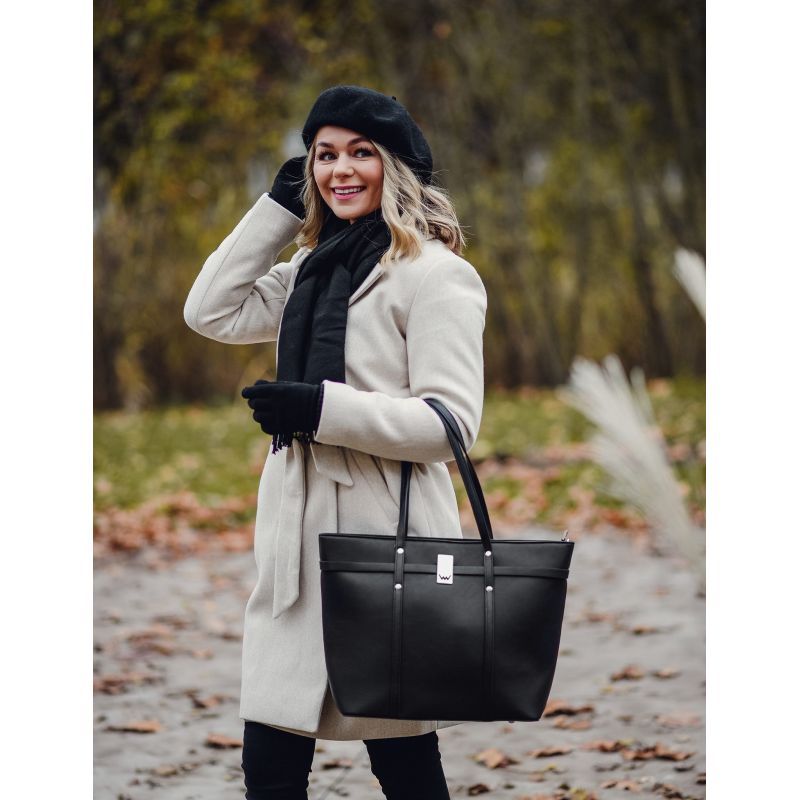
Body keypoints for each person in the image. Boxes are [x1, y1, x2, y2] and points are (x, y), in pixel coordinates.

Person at [183, 85, 487, 799]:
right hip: (293, 546)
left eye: (360, 153)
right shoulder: (308, 270)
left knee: (405, 767)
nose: (340, 170)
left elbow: (450, 425)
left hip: (385, 547)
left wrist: (324, 409)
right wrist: (278, 209)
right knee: (270, 767)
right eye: (324, 155)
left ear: (395, 167)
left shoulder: (437, 276)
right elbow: (210, 311)